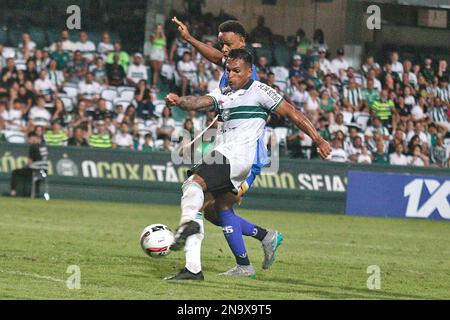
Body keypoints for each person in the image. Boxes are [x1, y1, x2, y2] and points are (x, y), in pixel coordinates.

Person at [165, 48, 331, 280]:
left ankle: (185, 229)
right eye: (228, 71)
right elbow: (199, 102)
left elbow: (293, 114)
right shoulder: (223, 92)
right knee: (203, 204)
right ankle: (194, 268)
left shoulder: (261, 91)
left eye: (236, 71)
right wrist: (179, 100)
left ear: (249, 71)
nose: (231, 75)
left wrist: (318, 139)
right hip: (224, 154)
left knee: (194, 184)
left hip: (237, 157)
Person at [168, 18, 277, 280]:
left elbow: (219, 61)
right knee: (212, 210)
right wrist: (190, 38)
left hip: (248, 154)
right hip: (229, 148)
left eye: (228, 44)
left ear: (243, 43)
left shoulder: (246, 72)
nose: (224, 50)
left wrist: (190, 40)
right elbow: (217, 59)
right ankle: (262, 240)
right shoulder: (233, 68)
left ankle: (213, 265)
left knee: (217, 206)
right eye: (221, 45)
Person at [10, 131, 48, 197]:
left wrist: (26, 166)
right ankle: (35, 193)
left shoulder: (33, 146)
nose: (28, 141)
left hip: (36, 171)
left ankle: (13, 192)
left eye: (29, 139)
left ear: (33, 138)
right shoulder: (43, 146)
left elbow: (30, 162)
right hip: (44, 172)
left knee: (15, 172)